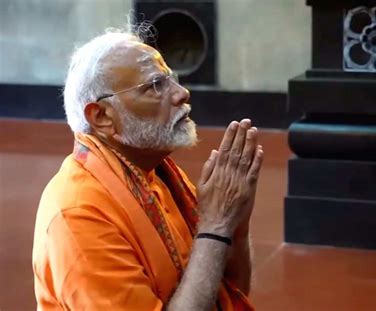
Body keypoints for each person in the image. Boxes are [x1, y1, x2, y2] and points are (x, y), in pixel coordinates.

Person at [32, 25, 263, 311]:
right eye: (155, 85)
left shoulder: (155, 172)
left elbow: (229, 291)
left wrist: (235, 224)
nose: (182, 93)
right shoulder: (79, 214)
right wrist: (216, 226)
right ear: (102, 116)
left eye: (171, 79)